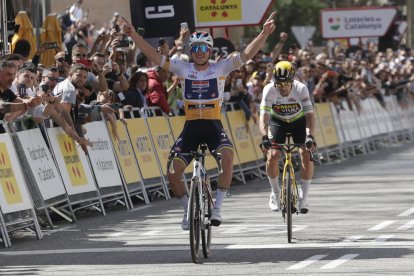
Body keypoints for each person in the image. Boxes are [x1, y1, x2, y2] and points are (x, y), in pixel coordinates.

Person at [120, 12, 276, 230]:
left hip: (213, 126)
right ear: (190, 51)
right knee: (173, 173)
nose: (200, 53)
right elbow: (154, 57)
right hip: (191, 127)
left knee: (228, 157)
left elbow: (246, 55)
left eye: (204, 49)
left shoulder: (219, 67)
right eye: (195, 49)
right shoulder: (183, 68)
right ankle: (187, 209)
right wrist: (134, 36)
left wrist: (263, 34)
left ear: (210, 51)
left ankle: (218, 208)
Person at [259, 61, 316, 214]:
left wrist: (310, 135)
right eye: (279, 84)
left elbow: (310, 116)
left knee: (306, 153)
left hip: (298, 121)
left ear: (292, 81)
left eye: (286, 84)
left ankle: (304, 197)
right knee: (273, 155)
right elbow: (263, 116)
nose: (283, 88)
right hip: (278, 122)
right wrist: (264, 137)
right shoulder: (269, 89)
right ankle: (275, 193)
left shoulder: (301, 88)